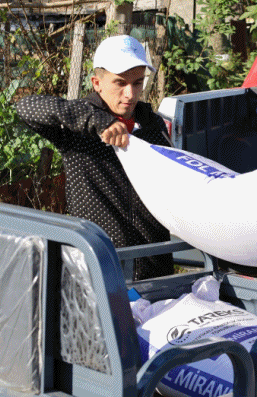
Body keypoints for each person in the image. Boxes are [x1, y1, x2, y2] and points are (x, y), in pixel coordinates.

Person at [16, 34, 174, 281]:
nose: (130, 94)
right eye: (120, 83)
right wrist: (96, 121)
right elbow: (26, 107)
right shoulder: (75, 129)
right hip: (99, 268)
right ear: (97, 83)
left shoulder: (153, 124)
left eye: (138, 82)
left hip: (155, 266)